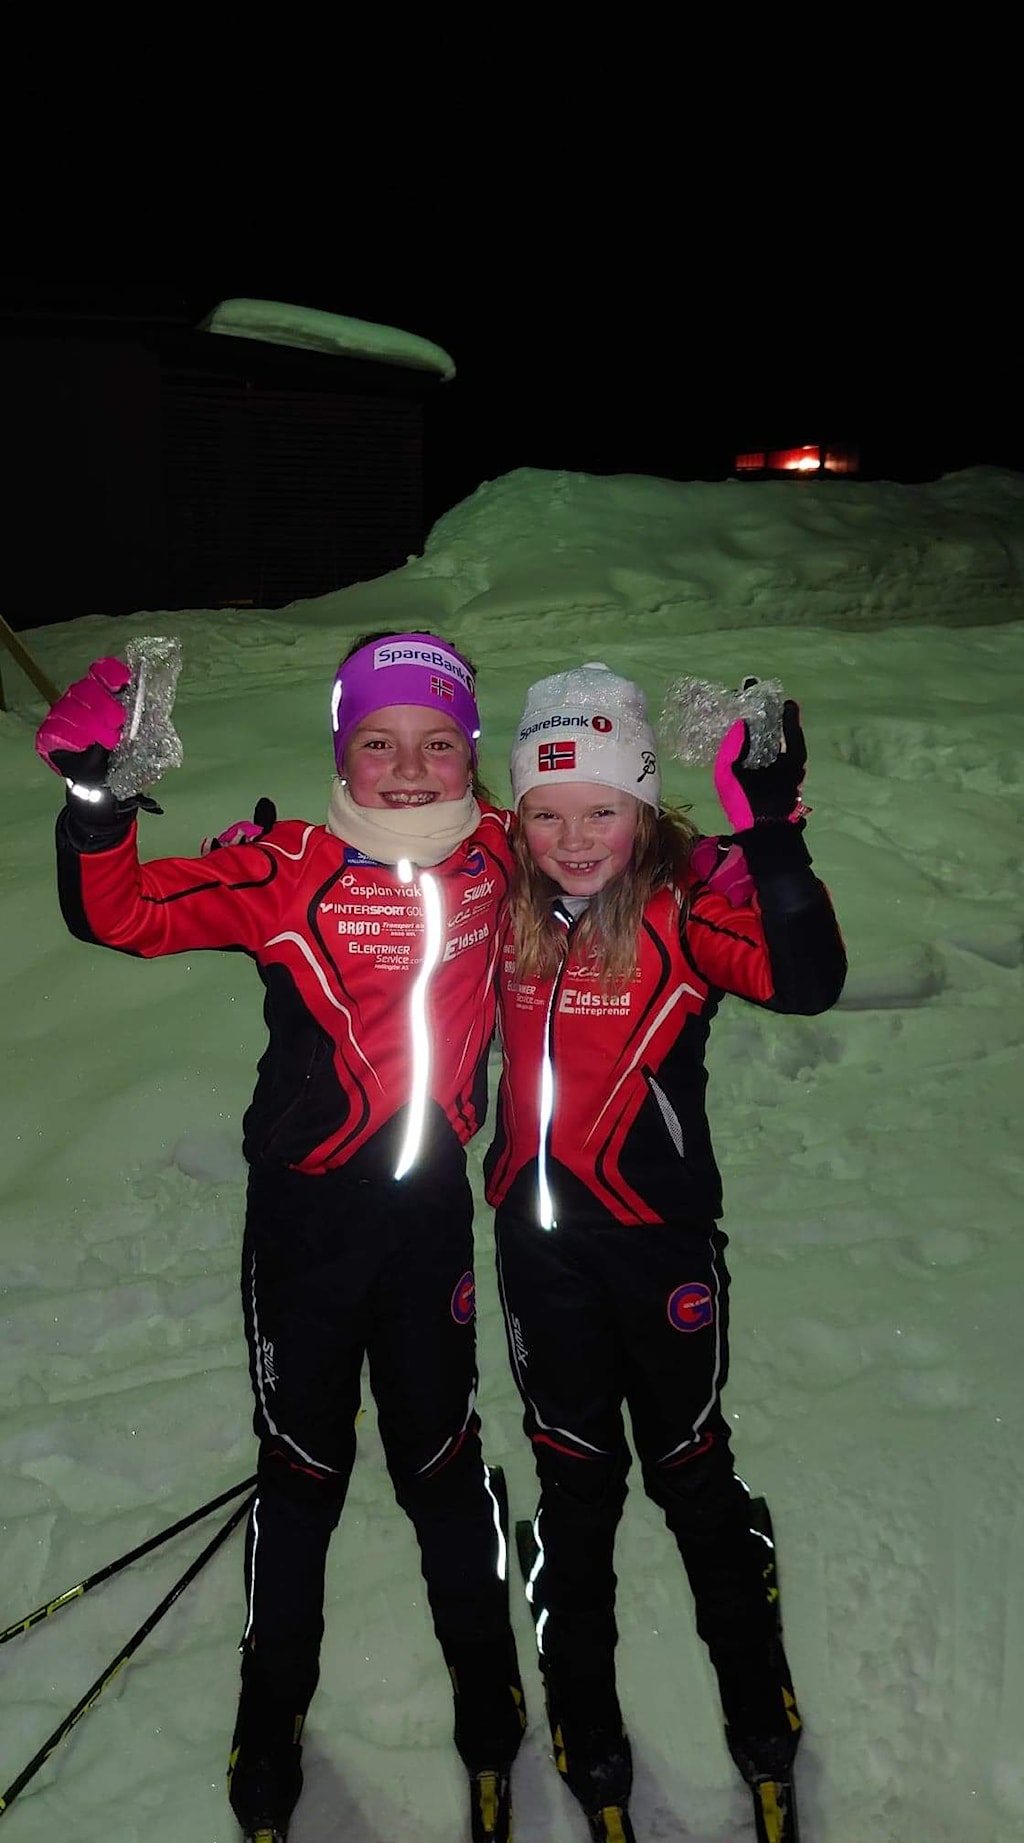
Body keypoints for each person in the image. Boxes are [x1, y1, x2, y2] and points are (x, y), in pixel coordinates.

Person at [34, 633, 527, 1843]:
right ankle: (272, 1714)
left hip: (427, 1222)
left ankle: (488, 1687)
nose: (407, 769)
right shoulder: (287, 868)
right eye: (378, 743)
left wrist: (739, 845)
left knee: (440, 1463)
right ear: (341, 754)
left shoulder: (502, 849)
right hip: (307, 1228)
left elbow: (606, 845)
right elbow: (122, 913)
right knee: (303, 1472)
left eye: (437, 744)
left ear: (470, 752)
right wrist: (99, 803)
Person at [482, 663, 846, 1838]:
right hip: (541, 1255)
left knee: (688, 1468)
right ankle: (585, 1718)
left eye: (601, 808)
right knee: (577, 1485)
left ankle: (758, 1706)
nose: (572, 837)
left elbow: (806, 979)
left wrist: (773, 835)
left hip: (661, 1249)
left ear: (642, 807)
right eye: (545, 812)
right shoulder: (499, 902)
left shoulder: (686, 908)